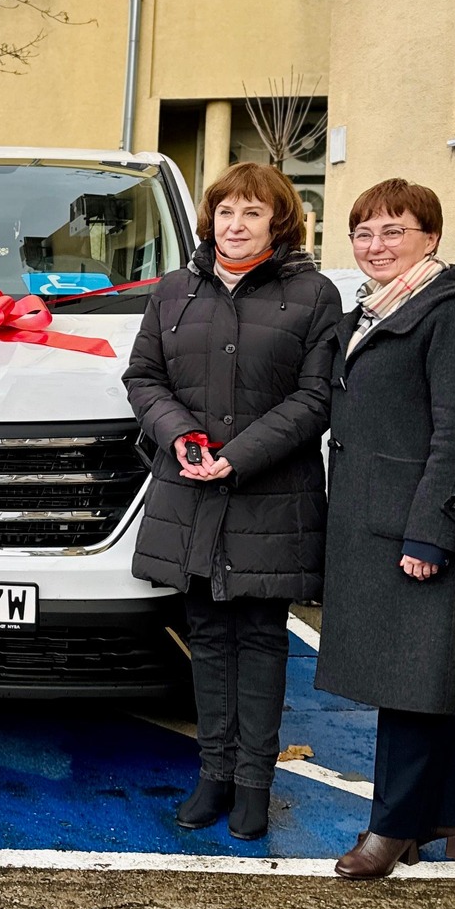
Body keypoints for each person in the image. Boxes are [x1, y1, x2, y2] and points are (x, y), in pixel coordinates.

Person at [123, 162, 340, 841]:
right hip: (189, 493)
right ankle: (212, 775)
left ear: (279, 220)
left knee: (262, 639)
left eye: (252, 213)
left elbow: (316, 397)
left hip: (269, 496)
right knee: (208, 639)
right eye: (225, 212)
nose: (236, 225)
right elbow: (144, 376)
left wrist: (237, 454)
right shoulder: (174, 291)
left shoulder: (313, 295)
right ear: (208, 219)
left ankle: (254, 782)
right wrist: (180, 433)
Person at [314, 180, 455, 879]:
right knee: (416, 677)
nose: (376, 245)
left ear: (430, 237)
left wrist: (433, 534)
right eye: (363, 233)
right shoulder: (377, 311)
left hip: (425, 529)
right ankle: (444, 815)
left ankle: (391, 828)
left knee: (411, 680)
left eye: (393, 231)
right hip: (380, 524)